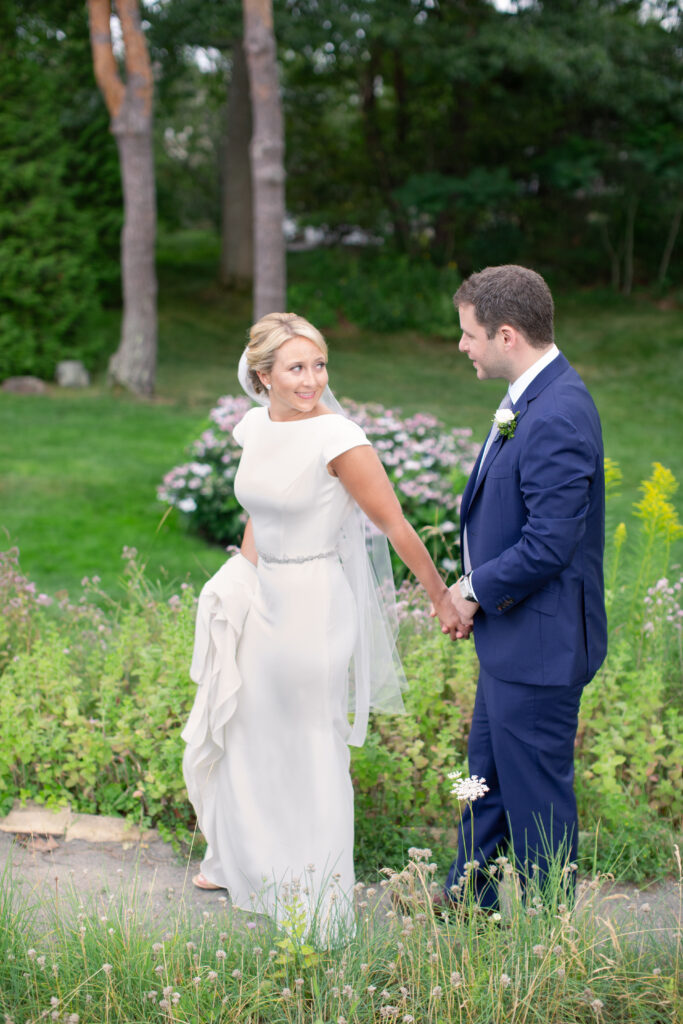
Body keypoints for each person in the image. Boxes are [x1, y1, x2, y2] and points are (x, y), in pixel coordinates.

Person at [182, 312, 461, 940]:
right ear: (263, 376)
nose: (312, 380)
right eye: (296, 368)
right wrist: (239, 575)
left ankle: (319, 890)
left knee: (312, 735)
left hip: (314, 600)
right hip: (264, 594)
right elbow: (259, 510)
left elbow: (394, 526)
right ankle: (248, 862)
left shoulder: (339, 438)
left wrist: (441, 598)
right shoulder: (254, 426)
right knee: (250, 724)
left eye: (319, 365)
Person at [441, 265, 607, 910]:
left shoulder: (558, 412)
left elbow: (549, 542)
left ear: (506, 335)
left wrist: (472, 590)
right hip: (512, 642)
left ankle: (547, 936)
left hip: (541, 647)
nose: (462, 346)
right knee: (477, 779)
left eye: (469, 334)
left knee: (538, 798)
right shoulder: (527, 397)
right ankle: (465, 897)